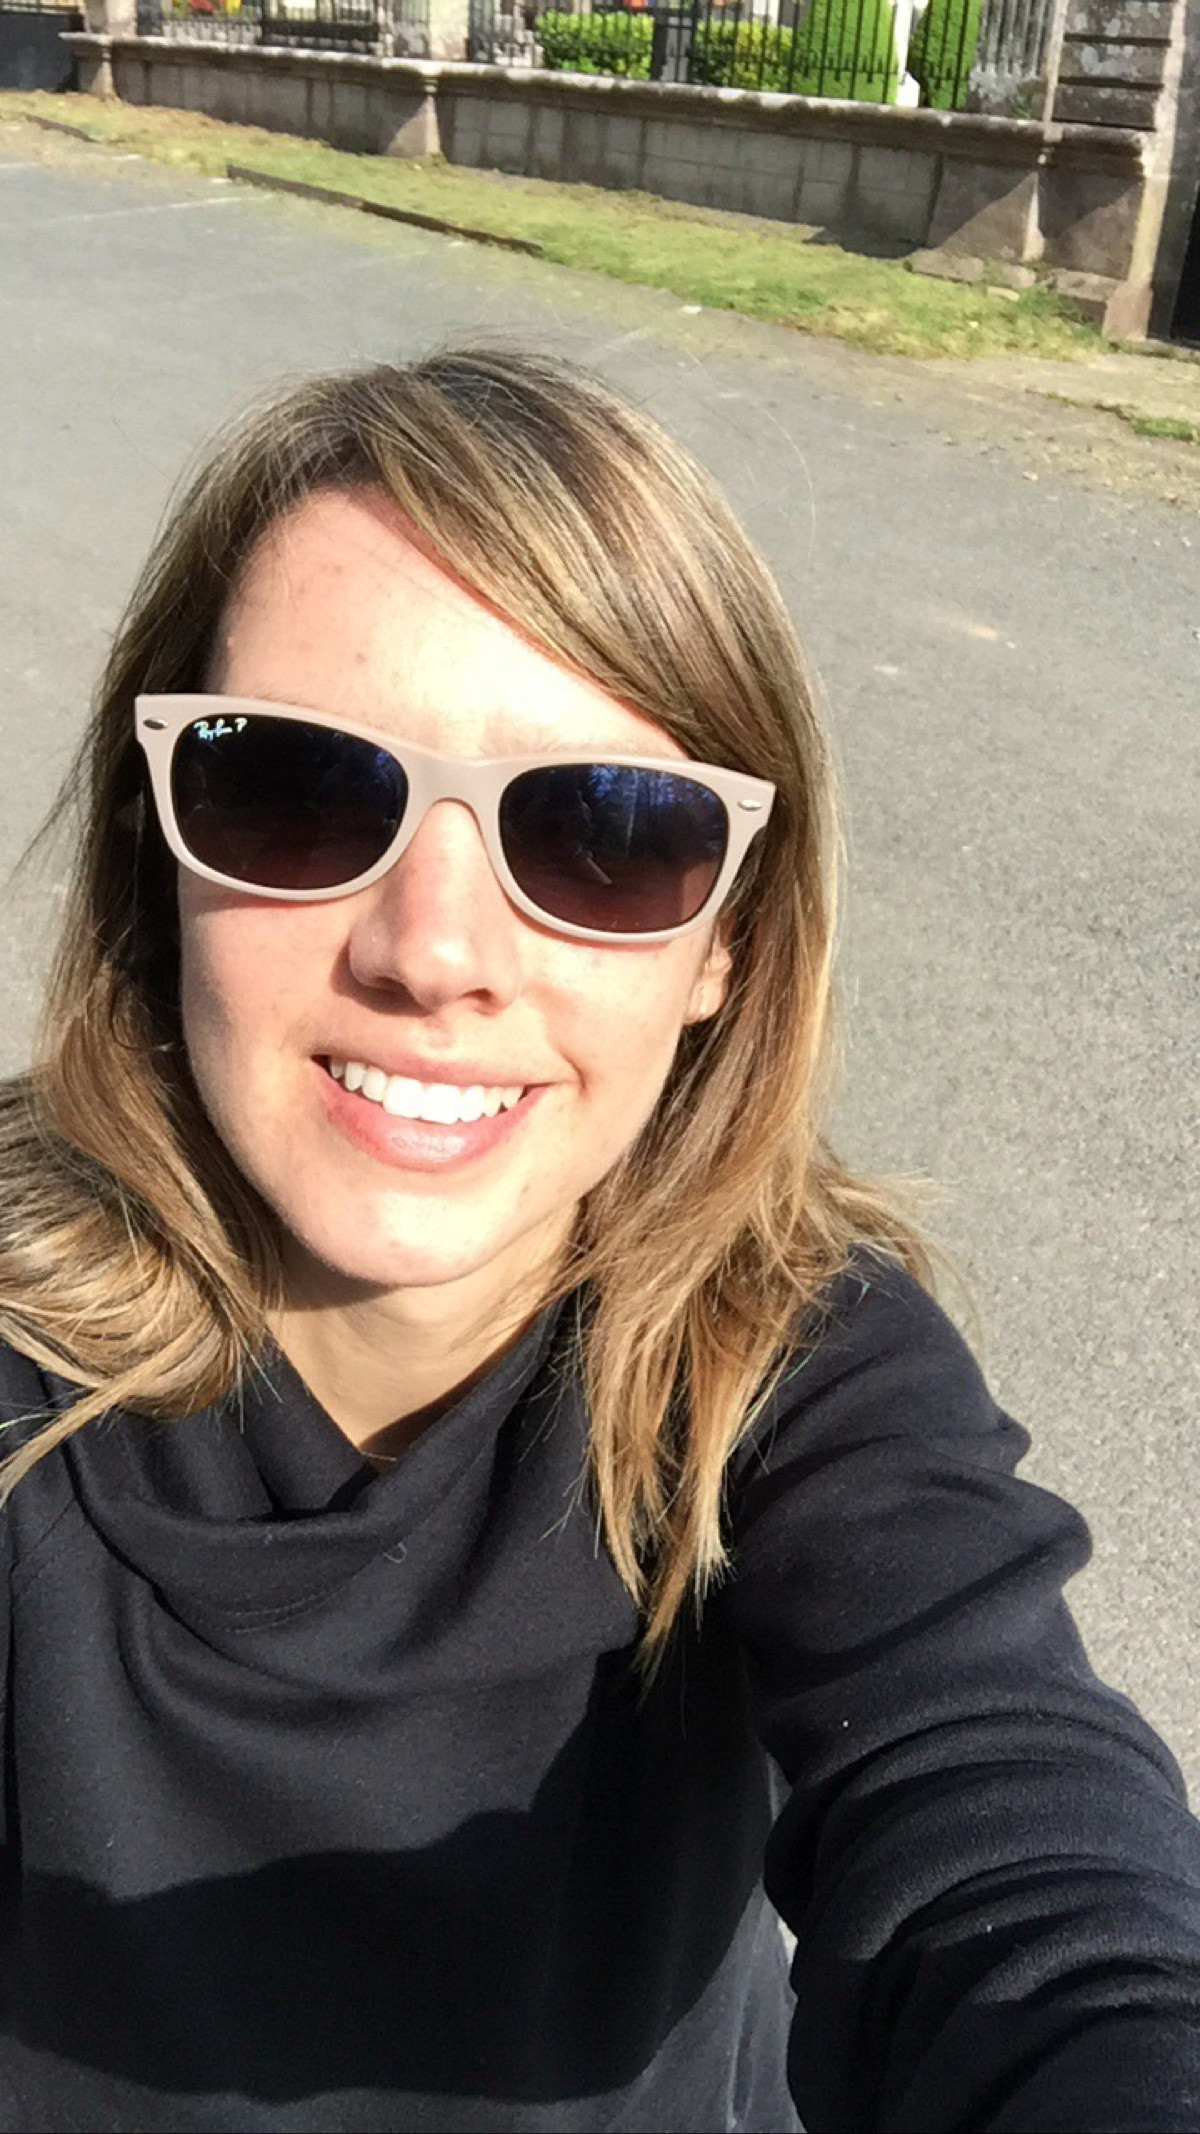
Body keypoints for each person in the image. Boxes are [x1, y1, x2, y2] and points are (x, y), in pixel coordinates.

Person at [0, 346, 1196, 2134]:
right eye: (298, 792)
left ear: (726, 946)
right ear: (157, 848)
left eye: (605, 835)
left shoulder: (786, 1371)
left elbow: (1021, 1844)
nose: (433, 951)